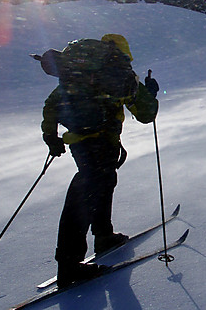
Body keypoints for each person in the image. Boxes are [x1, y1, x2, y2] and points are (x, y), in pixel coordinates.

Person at [39, 34, 159, 287]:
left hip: (80, 141)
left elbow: (52, 102)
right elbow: (146, 115)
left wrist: (51, 136)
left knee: (101, 183)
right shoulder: (119, 74)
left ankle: (104, 236)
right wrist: (150, 93)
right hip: (104, 139)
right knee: (87, 191)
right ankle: (69, 265)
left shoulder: (77, 74)